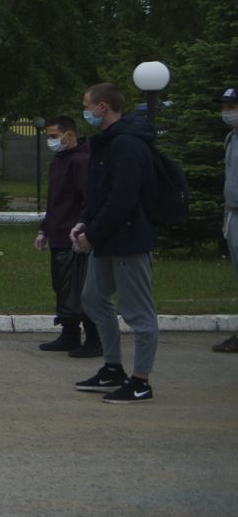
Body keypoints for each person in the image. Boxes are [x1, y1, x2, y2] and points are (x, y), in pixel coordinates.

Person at [71, 84, 161, 403]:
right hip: (106, 238)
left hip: (128, 239)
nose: (86, 112)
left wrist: (92, 235)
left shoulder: (127, 144)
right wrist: (84, 221)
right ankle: (113, 368)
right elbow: (98, 192)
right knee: (93, 299)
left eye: (87, 106)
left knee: (138, 313)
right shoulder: (106, 143)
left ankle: (141, 380)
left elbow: (123, 197)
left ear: (103, 107)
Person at [34, 116, 101, 356]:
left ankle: (94, 339)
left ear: (69, 135)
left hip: (75, 237)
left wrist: (83, 229)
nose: (51, 141)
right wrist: (45, 229)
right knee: (63, 287)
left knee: (80, 290)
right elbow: (55, 201)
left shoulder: (81, 161)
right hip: (59, 234)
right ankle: (70, 334)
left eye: (53, 136)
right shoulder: (60, 160)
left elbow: (89, 199)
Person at [216, 88, 238, 354]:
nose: (227, 111)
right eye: (225, 106)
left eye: (232, 106)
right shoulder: (231, 138)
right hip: (233, 213)